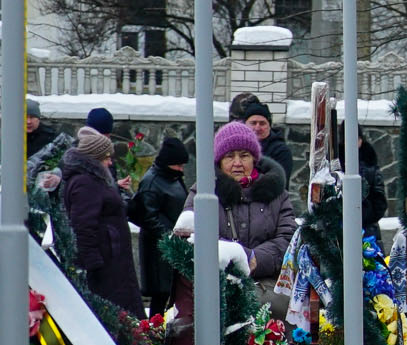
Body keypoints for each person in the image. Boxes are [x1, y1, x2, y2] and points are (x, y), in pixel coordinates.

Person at [189, 123, 297, 286]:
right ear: (219, 162)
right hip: (215, 284)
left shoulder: (278, 195)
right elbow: (192, 233)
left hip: (265, 286)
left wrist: (255, 258)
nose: (237, 163)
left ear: (254, 159)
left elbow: (287, 239)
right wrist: (234, 256)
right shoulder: (203, 192)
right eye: (230, 156)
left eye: (244, 155)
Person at [60, 128, 144, 315]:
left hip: (110, 257)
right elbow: (83, 225)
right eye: (107, 157)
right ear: (95, 158)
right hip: (105, 262)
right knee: (114, 310)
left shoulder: (93, 179)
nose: (110, 161)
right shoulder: (85, 182)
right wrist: (92, 261)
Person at [129, 136, 189, 316]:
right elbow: (148, 218)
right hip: (158, 250)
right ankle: (156, 335)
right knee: (161, 296)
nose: (181, 169)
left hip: (169, 245)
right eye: (178, 165)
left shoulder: (170, 177)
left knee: (171, 293)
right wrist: (170, 238)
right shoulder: (152, 182)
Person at [241, 102, 294, 177]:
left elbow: (278, 181)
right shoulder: (236, 148)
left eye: (262, 123)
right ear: (244, 125)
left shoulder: (281, 151)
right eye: (253, 123)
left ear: (269, 126)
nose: (257, 128)